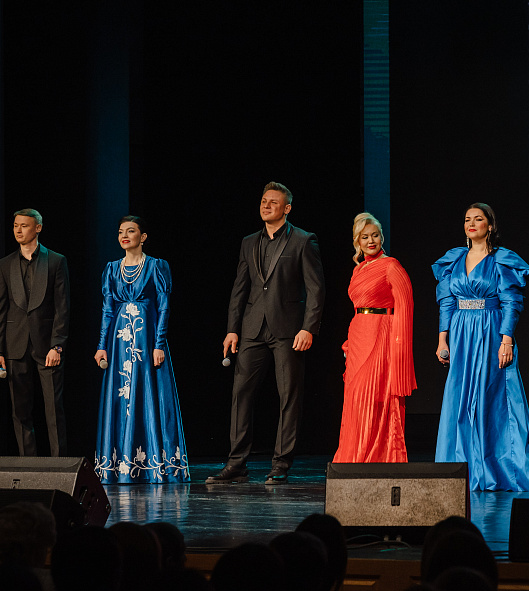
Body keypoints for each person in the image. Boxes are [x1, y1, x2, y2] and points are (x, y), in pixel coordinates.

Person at [433, 203, 529, 491]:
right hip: (461, 332)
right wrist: (443, 339)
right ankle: (463, 464)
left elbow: (511, 303)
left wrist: (507, 340)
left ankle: (499, 465)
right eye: (467, 219)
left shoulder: (502, 260)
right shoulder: (453, 259)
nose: (471, 223)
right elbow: (446, 302)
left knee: (492, 397)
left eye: (478, 219)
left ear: (490, 226)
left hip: (491, 331)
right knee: (461, 397)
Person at [207, 182, 326, 485]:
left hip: (288, 329)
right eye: (263, 201)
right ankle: (236, 464)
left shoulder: (303, 240)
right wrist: (232, 329)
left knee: (288, 396)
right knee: (241, 394)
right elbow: (240, 288)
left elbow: (316, 289)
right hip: (252, 328)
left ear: (287, 208)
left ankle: (281, 464)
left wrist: (308, 328)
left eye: (274, 202)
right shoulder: (249, 242)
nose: (266, 205)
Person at [93, 216, 189, 483]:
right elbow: (107, 310)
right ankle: (119, 465)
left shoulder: (156, 266)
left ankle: (154, 464)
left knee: (148, 394)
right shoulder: (112, 269)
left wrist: (159, 344)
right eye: (121, 232)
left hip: (147, 341)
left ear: (143, 237)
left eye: (131, 231)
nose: (124, 236)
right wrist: (102, 346)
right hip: (119, 343)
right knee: (121, 397)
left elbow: (164, 307)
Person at [333, 212, 416, 463]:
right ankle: (353, 456)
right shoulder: (358, 269)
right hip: (359, 336)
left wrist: (399, 349)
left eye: (375, 235)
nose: (371, 241)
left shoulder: (391, 266)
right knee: (356, 398)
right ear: (357, 242)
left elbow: (406, 308)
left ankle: (378, 456)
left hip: (382, 335)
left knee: (374, 396)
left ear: (382, 237)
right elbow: (357, 308)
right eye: (365, 237)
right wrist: (349, 342)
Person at [0, 209, 70, 456]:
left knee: (53, 409)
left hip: (47, 346)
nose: (18, 230)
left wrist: (57, 345)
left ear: (38, 228)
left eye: (24, 225)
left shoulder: (55, 261)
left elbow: (62, 308)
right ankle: (28, 464)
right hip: (15, 346)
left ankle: (59, 465)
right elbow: (0, 311)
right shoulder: (5, 264)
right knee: (20, 411)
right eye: (16, 225)